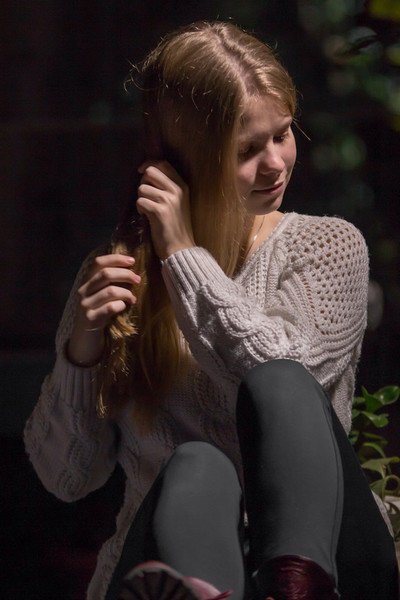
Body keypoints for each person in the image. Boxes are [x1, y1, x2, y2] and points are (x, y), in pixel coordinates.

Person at [24, 20, 398, 600]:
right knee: (195, 465)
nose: (276, 163)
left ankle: (294, 587)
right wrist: (82, 353)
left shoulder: (326, 246)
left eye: (283, 134)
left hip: (325, 558)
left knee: (279, 378)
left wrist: (183, 255)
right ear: (185, 160)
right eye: (247, 150)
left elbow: (283, 381)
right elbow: (66, 479)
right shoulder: (119, 274)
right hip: (174, 555)